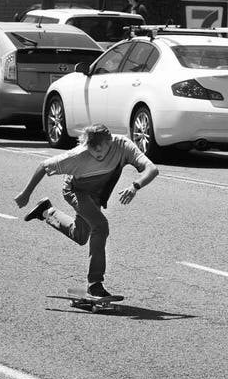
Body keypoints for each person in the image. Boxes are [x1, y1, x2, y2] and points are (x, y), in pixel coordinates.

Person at [13, 123, 158, 299]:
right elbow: (44, 165)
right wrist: (26, 193)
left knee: (81, 236)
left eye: (101, 150)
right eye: (93, 150)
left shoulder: (123, 146)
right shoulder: (78, 155)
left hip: (95, 195)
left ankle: (46, 212)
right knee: (100, 226)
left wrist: (135, 186)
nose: (97, 154)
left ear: (109, 141)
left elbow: (152, 169)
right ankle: (95, 284)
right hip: (75, 190)